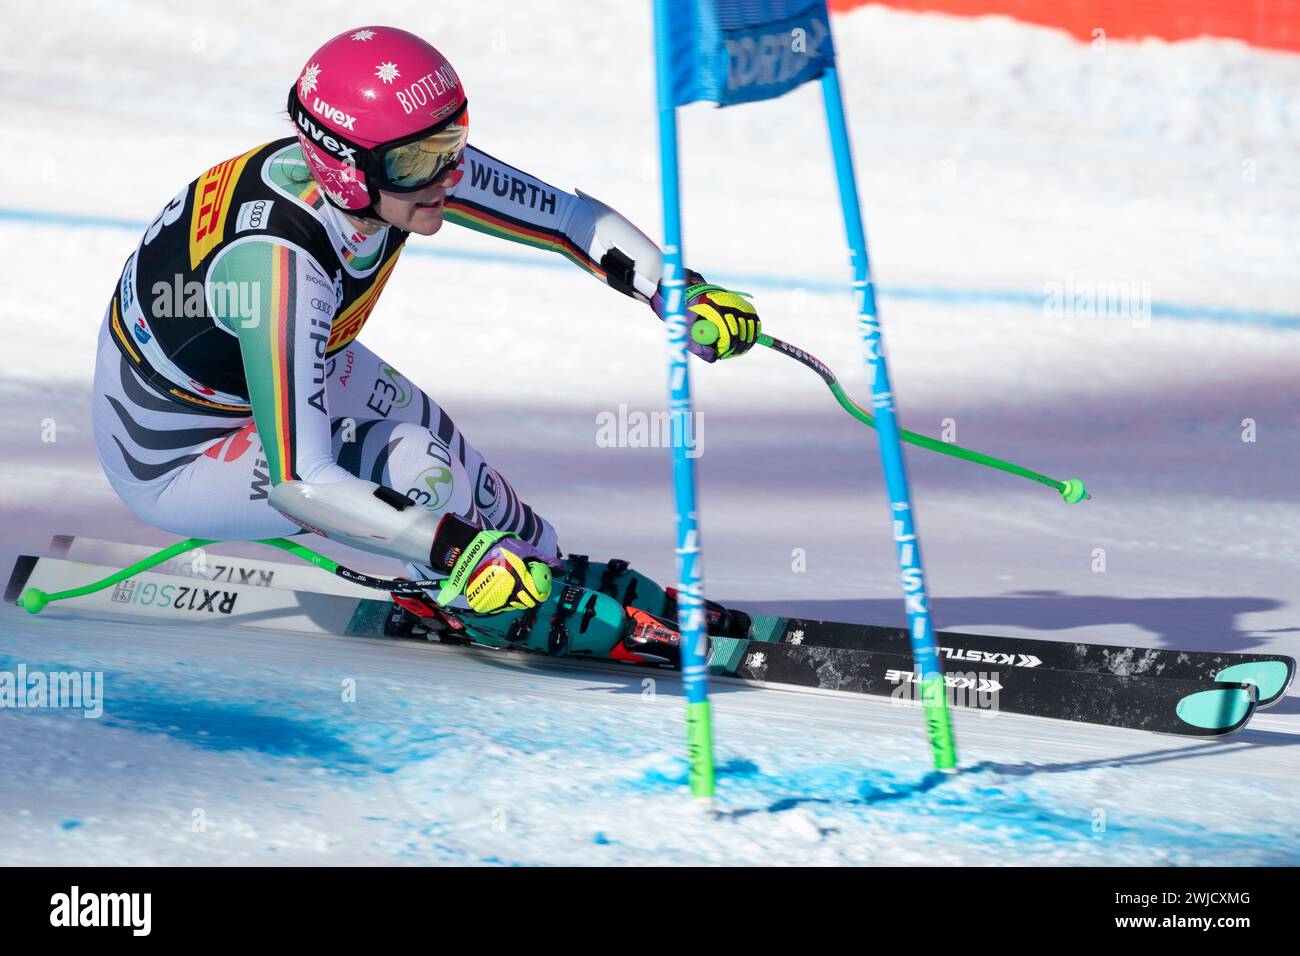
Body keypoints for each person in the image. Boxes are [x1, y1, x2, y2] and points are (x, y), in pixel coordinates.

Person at [93, 25, 760, 619]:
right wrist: (457, 553)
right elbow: (301, 483)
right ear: (346, 169)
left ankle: (539, 571)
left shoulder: (393, 167)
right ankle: (470, 605)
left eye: (454, 140)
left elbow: (565, 219)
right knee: (419, 467)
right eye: (420, 160)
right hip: (174, 449)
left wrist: (677, 292)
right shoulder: (280, 264)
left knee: (484, 493)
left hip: (278, 361)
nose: (447, 175)